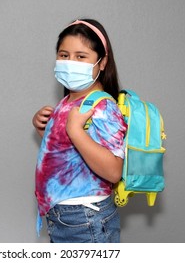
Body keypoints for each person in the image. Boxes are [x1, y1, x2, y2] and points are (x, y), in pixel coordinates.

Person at [32, 18, 127, 243]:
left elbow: (113, 171)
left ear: (102, 63)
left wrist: (75, 130)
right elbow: (68, 154)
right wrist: (43, 129)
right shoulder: (68, 102)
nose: (70, 62)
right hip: (64, 217)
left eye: (81, 56)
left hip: (85, 218)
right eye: (64, 55)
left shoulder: (103, 106)